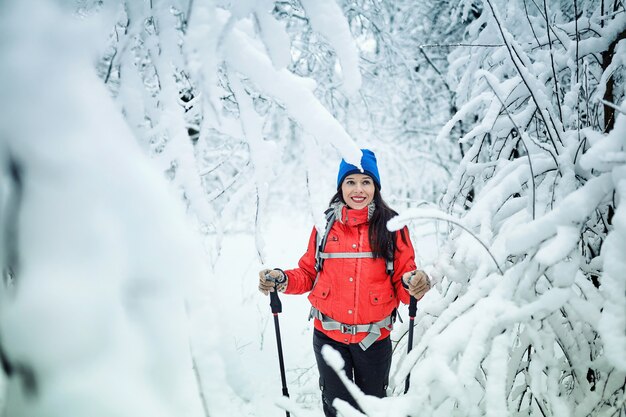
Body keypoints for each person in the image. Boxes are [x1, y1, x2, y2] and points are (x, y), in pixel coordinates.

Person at [258, 149, 431, 417]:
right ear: (341, 186)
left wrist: (413, 283)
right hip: (328, 336)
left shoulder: (393, 226)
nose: (358, 189)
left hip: (373, 339)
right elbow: (308, 273)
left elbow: (403, 277)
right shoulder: (324, 226)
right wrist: (282, 279)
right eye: (350, 182)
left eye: (366, 182)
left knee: (373, 409)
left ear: (376, 186)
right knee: (336, 408)